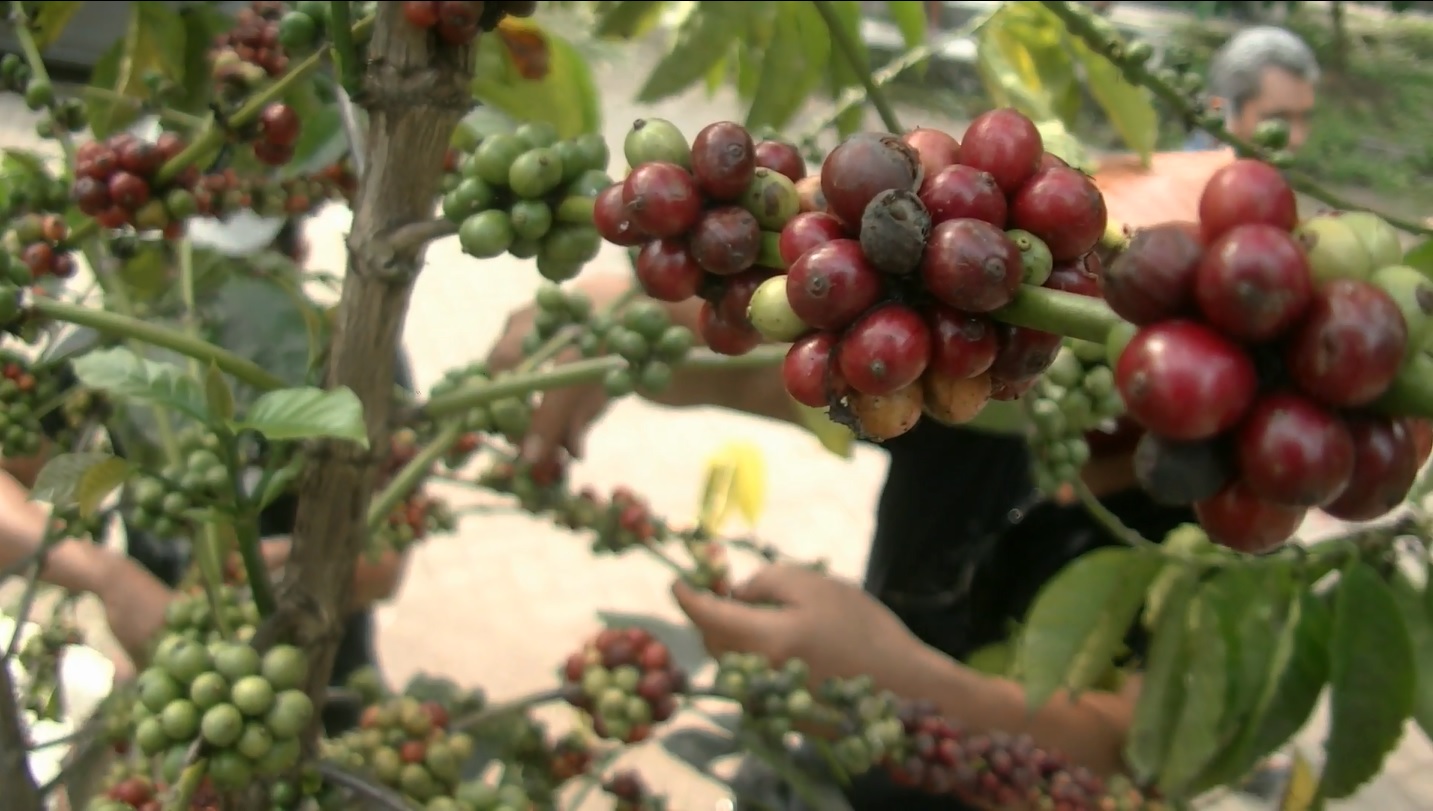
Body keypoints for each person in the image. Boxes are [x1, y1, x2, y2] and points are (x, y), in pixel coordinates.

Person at [0, 215, 412, 734]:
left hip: (319, 698)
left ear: (294, 256)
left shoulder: (354, 356)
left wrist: (291, 564)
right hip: (171, 690)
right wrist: (104, 574)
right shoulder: (110, 344)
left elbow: (384, 562)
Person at [1183, 26, 1320, 152]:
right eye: (1278, 120)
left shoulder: (1269, 173)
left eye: (1305, 118)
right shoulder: (1176, 178)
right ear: (1218, 111)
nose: (1298, 138)